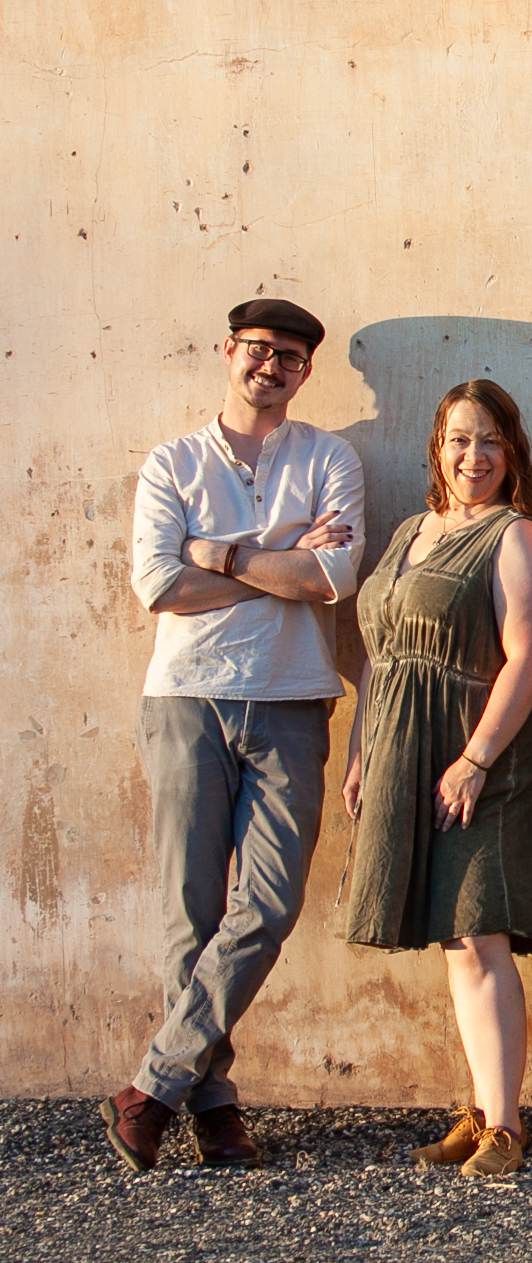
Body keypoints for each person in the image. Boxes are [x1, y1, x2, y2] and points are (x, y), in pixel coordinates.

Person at [103, 298, 366, 1171]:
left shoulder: (329, 458)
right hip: (186, 699)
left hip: (291, 698)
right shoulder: (173, 462)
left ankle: (151, 1088)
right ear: (228, 351)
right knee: (190, 911)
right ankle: (211, 1107)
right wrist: (278, 554)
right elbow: (159, 587)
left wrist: (217, 552)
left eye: (289, 357)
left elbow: (332, 578)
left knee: (270, 904)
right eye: (259, 349)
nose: (271, 366)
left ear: (306, 371)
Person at [340, 379, 532, 1178]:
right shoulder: (410, 531)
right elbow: (381, 657)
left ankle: (505, 1127)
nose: (475, 455)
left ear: (513, 453)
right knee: (456, 941)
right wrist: (363, 751)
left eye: (491, 440)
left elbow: (531, 659)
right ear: (438, 448)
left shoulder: (515, 537)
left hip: (482, 760)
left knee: (480, 931)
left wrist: (474, 760)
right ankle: (484, 1110)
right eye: (461, 439)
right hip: (410, 753)